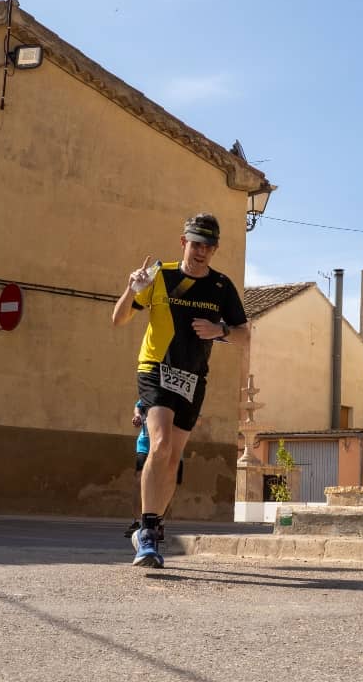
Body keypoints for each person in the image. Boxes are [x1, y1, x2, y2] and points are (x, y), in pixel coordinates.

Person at [112, 212, 248, 567]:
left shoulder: (221, 286)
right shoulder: (160, 275)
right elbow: (119, 318)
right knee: (159, 444)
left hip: (193, 377)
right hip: (155, 368)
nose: (201, 251)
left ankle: (154, 524)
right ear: (183, 242)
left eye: (209, 246)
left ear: (215, 249)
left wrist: (219, 331)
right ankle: (147, 529)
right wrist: (131, 289)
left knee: (173, 457)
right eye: (196, 243)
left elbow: (244, 335)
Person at [123, 399, 184, 540]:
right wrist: (138, 416)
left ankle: (159, 523)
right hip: (145, 444)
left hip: (171, 446)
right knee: (139, 481)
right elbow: (138, 406)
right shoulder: (152, 391)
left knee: (166, 484)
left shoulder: (181, 396)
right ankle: (138, 522)